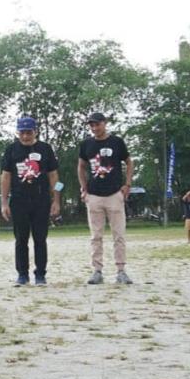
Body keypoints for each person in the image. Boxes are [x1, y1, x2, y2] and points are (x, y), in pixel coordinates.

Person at [0, 116, 60, 286]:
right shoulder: (11, 150)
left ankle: (40, 274)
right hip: (19, 201)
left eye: (29, 132)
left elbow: (55, 177)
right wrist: (4, 202)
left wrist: (57, 200)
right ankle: (22, 274)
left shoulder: (45, 149)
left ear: (35, 132)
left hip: (41, 200)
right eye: (22, 133)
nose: (26, 136)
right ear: (18, 133)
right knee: (21, 239)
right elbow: (5, 177)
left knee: (40, 239)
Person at [77, 112, 134, 285]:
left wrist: (127, 184)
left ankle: (121, 270)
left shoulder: (117, 142)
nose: (94, 128)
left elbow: (129, 162)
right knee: (96, 236)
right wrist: (84, 188)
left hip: (114, 194)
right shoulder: (86, 144)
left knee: (119, 235)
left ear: (104, 123)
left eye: (97, 124)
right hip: (94, 195)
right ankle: (97, 270)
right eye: (91, 125)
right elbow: (81, 167)